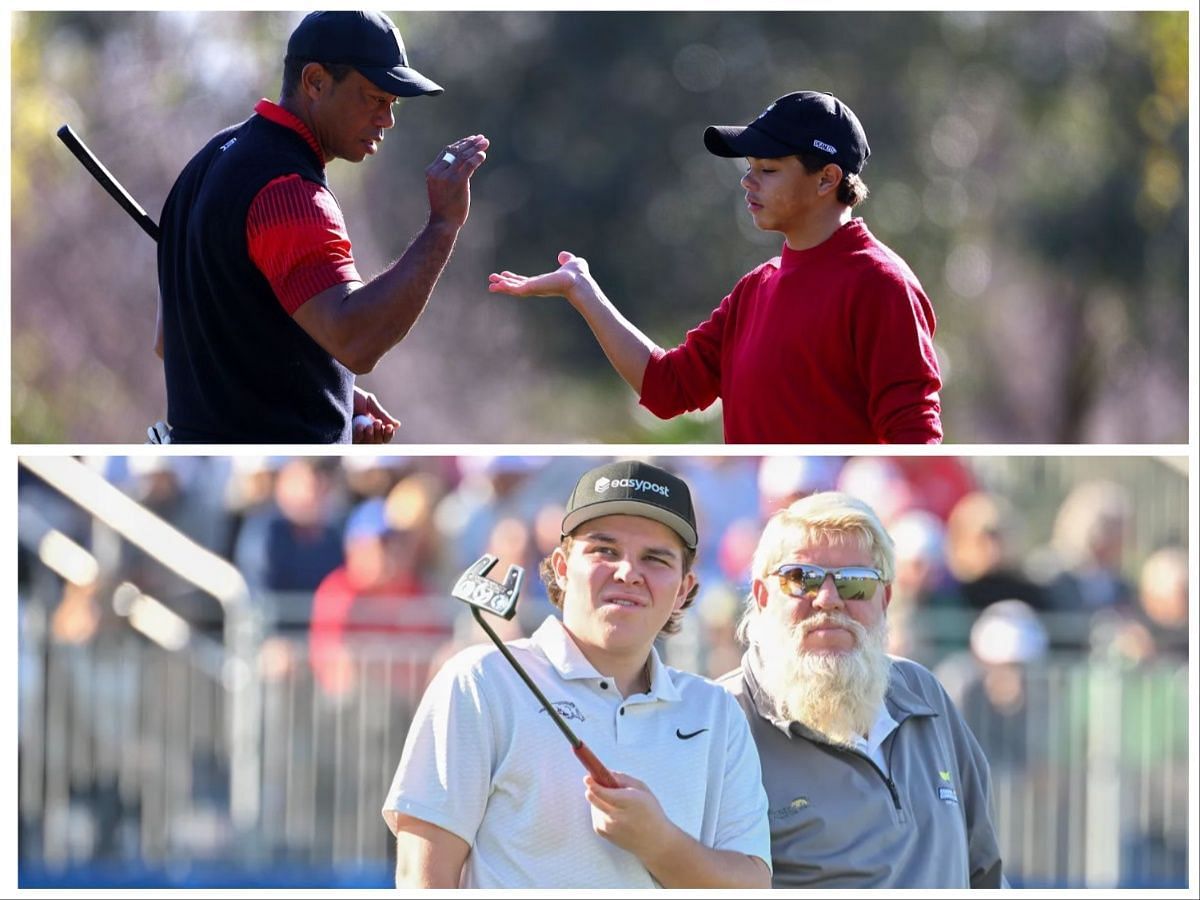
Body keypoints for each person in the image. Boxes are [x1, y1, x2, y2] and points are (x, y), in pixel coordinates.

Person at [382, 460, 771, 888]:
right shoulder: (478, 681)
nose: (628, 572)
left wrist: (660, 843)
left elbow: (750, 886)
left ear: (684, 589)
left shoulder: (716, 711)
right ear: (563, 567)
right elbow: (421, 878)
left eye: (655, 558)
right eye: (604, 550)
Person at [489, 91, 941, 443]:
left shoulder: (881, 285)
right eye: (749, 167)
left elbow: (914, 433)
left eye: (768, 169)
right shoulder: (754, 290)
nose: (748, 181)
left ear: (827, 178)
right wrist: (582, 291)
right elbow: (666, 389)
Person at [157, 10, 489, 443]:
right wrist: (443, 225)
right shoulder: (289, 192)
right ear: (315, 81)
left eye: (392, 104)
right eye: (374, 98)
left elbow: (172, 341)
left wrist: (327, 390)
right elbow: (356, 341)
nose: (386, 120)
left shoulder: (208, 160)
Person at [720, 490, 1005, 887]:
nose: (828, 599)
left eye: (855, 583)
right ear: (762, 596)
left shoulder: (924, 695)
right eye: (801, 579)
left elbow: (986, 871)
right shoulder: (723, 722)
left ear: (884, 599)